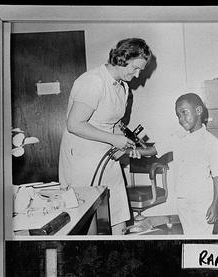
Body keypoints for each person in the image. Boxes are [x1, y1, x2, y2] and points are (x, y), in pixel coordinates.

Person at [59, 38, 152, 235]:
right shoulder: (93, 81)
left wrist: (125, 146)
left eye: (140, 71)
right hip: (82, 158)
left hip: (106, 154)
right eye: (135, 68)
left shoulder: (122, 87)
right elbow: (74, 124)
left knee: (117, 209)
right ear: (122, 58)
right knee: (88, 217)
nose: (136, 75)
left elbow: (114, 124)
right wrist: (113, 139)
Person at [129, 93, 218, 236]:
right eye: (178, 115)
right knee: (189, 234)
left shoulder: (211, 142)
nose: (181, 119)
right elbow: (152, 150)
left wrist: (215, 205)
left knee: (202, 238)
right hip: (183, 199)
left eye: (184, 113)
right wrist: (128, 151)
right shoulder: (178, 138)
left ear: (198, 111)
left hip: (202, 201)